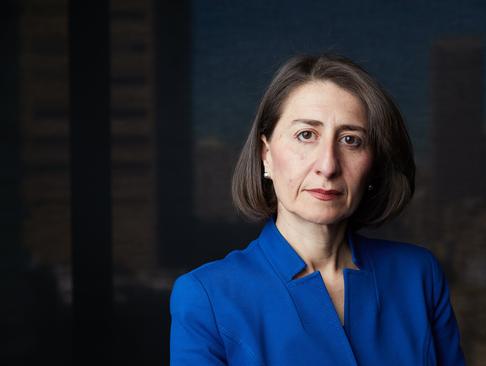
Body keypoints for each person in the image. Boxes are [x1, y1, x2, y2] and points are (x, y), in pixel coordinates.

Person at [170, 54, 465, 366]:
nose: (328, 165)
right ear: (266, 155)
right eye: (306, 135)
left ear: (373, 164)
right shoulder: (207, 296)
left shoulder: (418, 275)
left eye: (351, 140)